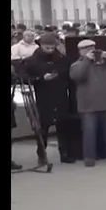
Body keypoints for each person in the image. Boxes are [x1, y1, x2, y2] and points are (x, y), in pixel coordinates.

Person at [69, 39, 106, 167]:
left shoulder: (104, 63)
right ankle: (89, 157)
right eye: (86, 49)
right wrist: (87, 60)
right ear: (80, 51)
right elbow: (77, 76)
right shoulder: (76, 65)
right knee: (89, 132)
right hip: (88, 105)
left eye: (92, 48)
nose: (91, 51)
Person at [23, 32, 75, 165]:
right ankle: (42, 154)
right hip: (44, 96)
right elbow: (25, 77)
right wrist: (40, 78)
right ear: (41, 46)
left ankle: (64, 153)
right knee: (43, 126)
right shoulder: (33, 60)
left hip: (60, 93)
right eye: (47, 48)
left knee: (62, 125)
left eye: (52, 47)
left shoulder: (61, 58)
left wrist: (59, 75)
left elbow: (68, 73)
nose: (50, 50)